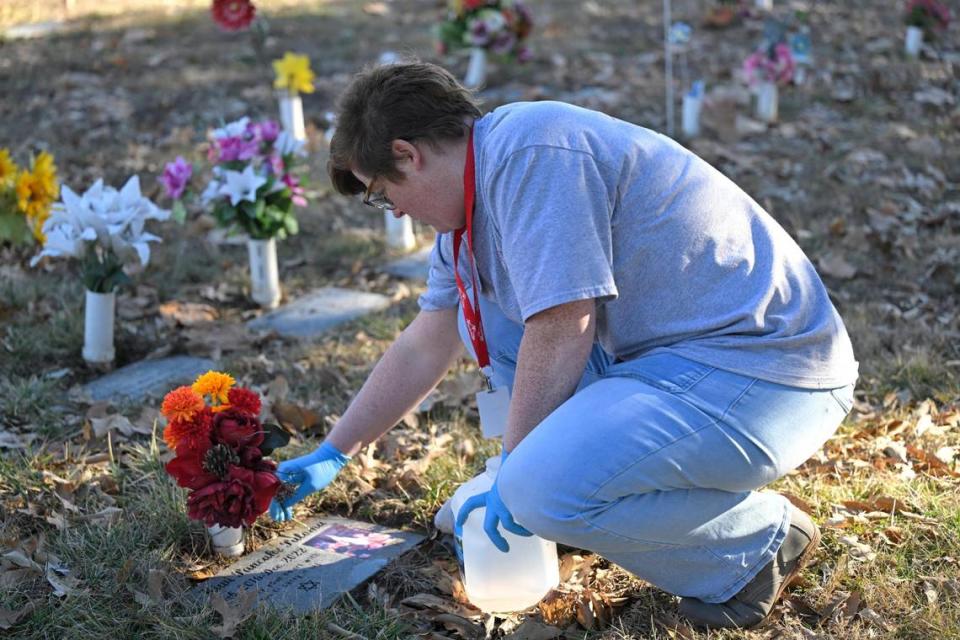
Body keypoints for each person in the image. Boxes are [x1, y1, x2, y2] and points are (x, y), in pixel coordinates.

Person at [268, 61, 858, 629]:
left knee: (535, 491)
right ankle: (570, 486)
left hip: (764, 372)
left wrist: (517, 473)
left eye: (380, 193)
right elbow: (429, 340)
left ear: (407, 154)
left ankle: (757, 545)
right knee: (515, 418)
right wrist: (336, 451)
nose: (392, 209)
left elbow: (561, 322)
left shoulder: (532, 153)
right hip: (673, 367)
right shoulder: (467, 217)